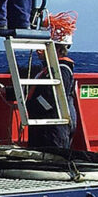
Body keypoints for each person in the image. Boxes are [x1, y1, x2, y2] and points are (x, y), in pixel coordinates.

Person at [25, 11, 78, 149]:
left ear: (58, 49)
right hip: (45, 126)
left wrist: (28, 106)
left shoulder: (62, 70)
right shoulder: (49, 70)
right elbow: (38, 90)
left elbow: (50, 99)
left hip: (53, 129)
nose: (39, 51)